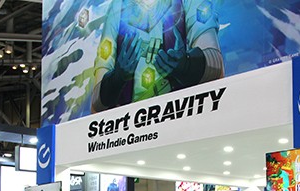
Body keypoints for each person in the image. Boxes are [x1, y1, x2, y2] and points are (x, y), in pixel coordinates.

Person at [91, 0, 224, 112]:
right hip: (129, 124)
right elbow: (97, 102)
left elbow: (215, 65)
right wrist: (117, 79)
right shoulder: (117, 7)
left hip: (181, 114)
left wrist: (187, 66)